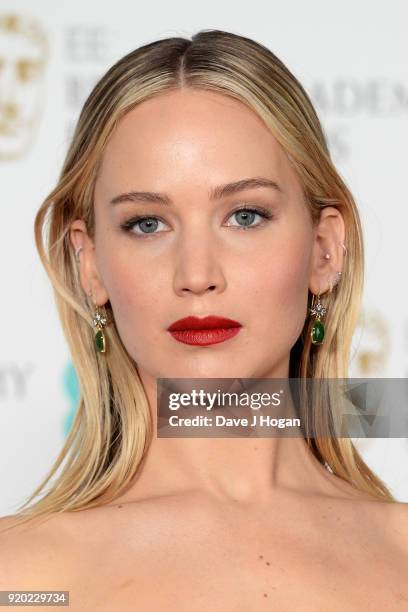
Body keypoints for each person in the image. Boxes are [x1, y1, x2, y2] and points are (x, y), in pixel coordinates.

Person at [1, 29, 407, 610]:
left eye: (244, 216)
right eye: (147, 223)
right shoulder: (19, 578)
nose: (196, 274)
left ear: (324, 249)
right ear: (90, 265)